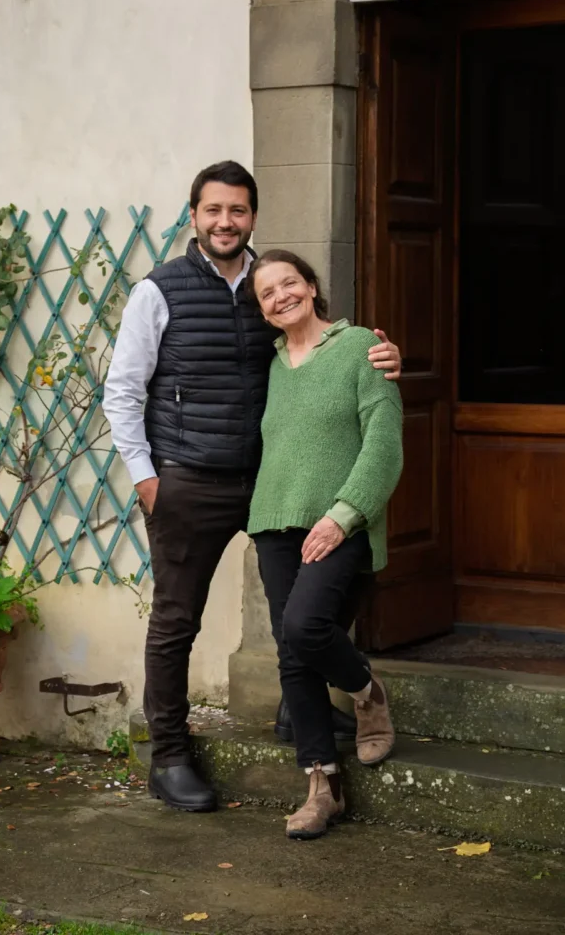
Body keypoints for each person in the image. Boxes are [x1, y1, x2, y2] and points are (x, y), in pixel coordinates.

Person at [102, 161, 402, 813]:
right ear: (193, 216)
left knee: (305, 606)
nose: (225, 222)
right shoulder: (160, 291)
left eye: (237, 211)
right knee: (176, 620)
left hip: (271, 482)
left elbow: (320, 351)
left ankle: (302, 716)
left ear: (253, 217)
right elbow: (122, 390)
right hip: (190, 479)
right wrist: (148, 478)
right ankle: (170, 755)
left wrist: (381, 354)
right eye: (213, 210)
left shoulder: (270, 282)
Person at [245, 249, 403, 841]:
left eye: (289, 283)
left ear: (312, 287)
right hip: (273, 521)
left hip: (341, 523)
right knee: (292, 652)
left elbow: (384, 446)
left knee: (307, 627)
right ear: (262, 311)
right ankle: (321, 785)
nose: (281, 296)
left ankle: (367, 692)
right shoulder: (271, 365)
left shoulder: (362, 347)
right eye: (267, 293)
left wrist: (343, 516)